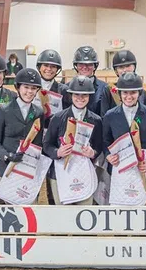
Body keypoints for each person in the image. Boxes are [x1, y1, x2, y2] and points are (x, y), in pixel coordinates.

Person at [43, 76, 103, 205]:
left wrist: (93, 153)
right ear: (71, 95)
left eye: (84, 95)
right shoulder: (58, 118)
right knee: (62, 218)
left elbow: (99, 145)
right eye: (77, 94)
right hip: (60, 172)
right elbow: (47, 145)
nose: (80, 98)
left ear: (89, 96)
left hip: (84, 172)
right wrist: (57, 152)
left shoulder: (96, 120)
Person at [0, 68, 45, 202]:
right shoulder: (4, 110)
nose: (29, 92)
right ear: (18, 87)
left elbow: (37, 143)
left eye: (33, 88)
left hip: (27, 169)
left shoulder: (38, 112)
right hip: (5, 167)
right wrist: (7, 155)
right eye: (26, 87)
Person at [103, 72, 146, 182]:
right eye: (125, 93)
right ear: (120, 94)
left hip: (142, 167)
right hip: (119, 166)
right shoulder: (110, 115)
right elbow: (105, 140)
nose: (129, 96)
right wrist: (108, 156)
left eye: (133, 92)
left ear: (139, 93)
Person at [70, 46, 114, 118]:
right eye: (81, 64)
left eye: (89, 64)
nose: (84, 67)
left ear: (95, 66)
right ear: (76, 66)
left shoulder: (105, 88)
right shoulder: (68, 87)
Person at [34, 49, 67, 127]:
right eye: (45, 65)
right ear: (39, 67)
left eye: (53, 66)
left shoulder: (63, 90)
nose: (49, 69)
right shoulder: (32, 88)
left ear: (57, 69)